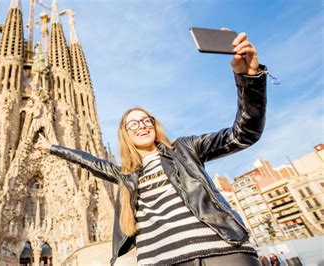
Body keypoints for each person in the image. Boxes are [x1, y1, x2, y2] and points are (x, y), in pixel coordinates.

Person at [35, 31, 266, 265]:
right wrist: (52, 147)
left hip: (220, 253)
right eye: (133, 124)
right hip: (161, 260)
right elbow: (90, 161)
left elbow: (243, 134)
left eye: (147, 120)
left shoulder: (185, 150)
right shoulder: (126, 175)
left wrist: (249, 79)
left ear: (156, 126)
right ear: (125, 134)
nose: (142, 126)